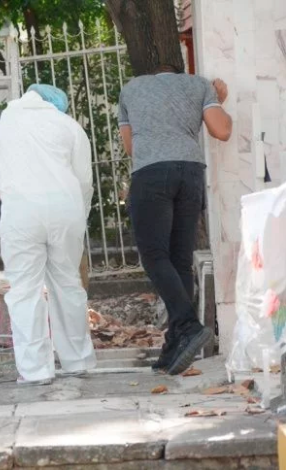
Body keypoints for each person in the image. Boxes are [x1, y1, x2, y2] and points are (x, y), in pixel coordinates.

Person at [0, 84, 97, 385]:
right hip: (66, 211)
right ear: (55, 103)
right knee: (68, 285)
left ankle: (36, 371)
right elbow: (85, 181)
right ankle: (77, 361)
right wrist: (79, 216)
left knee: (24, 290)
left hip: (21, 213)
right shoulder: (69, 125)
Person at [118, 66, 233, 376]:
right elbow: (222, 130)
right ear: (179, 72)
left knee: (154, 255)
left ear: (153, 73)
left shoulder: (130, 89)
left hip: (151, 174)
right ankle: (175, 344)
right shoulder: (200, 86)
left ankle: (187, 325)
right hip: (191, 173)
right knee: (180, 259)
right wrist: (217, 101)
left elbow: (131, 147)